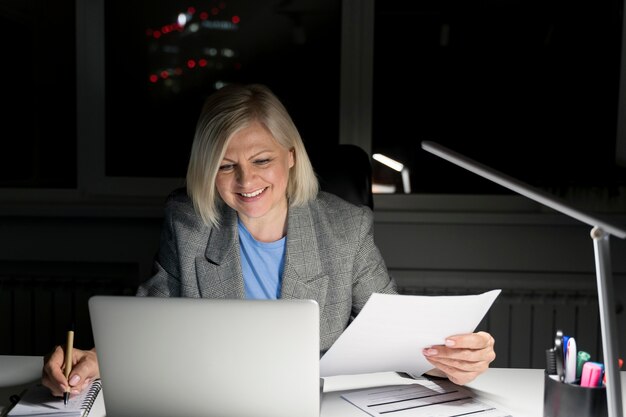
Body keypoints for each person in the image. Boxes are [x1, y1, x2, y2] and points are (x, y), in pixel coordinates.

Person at [42, 83, 495, 398]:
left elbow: (398, 334)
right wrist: (96, 358)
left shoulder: (346, 228)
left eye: (262, 159)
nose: (246, 180)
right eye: (225, 165)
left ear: (292, 157)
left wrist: (449, 359)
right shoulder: (188, 222)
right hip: (214, 401)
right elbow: (149, 320)